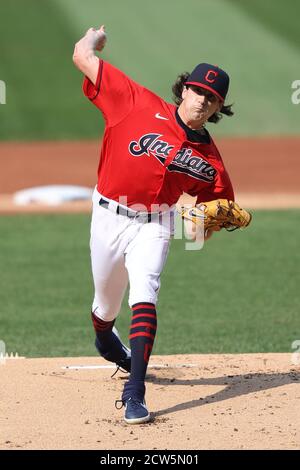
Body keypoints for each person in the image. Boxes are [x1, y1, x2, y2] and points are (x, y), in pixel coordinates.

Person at [73, 25, 235, 424]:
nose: (202, 101)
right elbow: (81, 55)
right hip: (109, 214)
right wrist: (95, 39)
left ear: (218, 108)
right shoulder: (134, 101)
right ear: (184, 90)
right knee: (106, 304)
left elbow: (202, 226)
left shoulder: (210, 161)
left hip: (157, 223)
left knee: (146, 292)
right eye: (198, 91)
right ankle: (104, 337)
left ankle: (135, 392)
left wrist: (204, 224)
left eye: (211, 98)